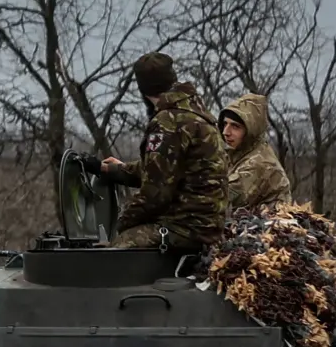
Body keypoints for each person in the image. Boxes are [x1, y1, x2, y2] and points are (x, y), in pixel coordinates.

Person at [98, 52, 228, 254]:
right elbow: (167, 168)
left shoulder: (168, 122)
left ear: (143, 89)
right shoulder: (196, 113)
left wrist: (121, 222)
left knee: (114, 253)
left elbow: (155, 194)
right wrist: (120, 169)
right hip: (208, 226)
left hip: (185, 229)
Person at [220, 91, 292, 212]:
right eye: (225, 124)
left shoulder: (259, 163)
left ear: (250, 131)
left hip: (269, 225)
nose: (225, 132)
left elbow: (219, 198)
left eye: (235, 126)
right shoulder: (239, 154)